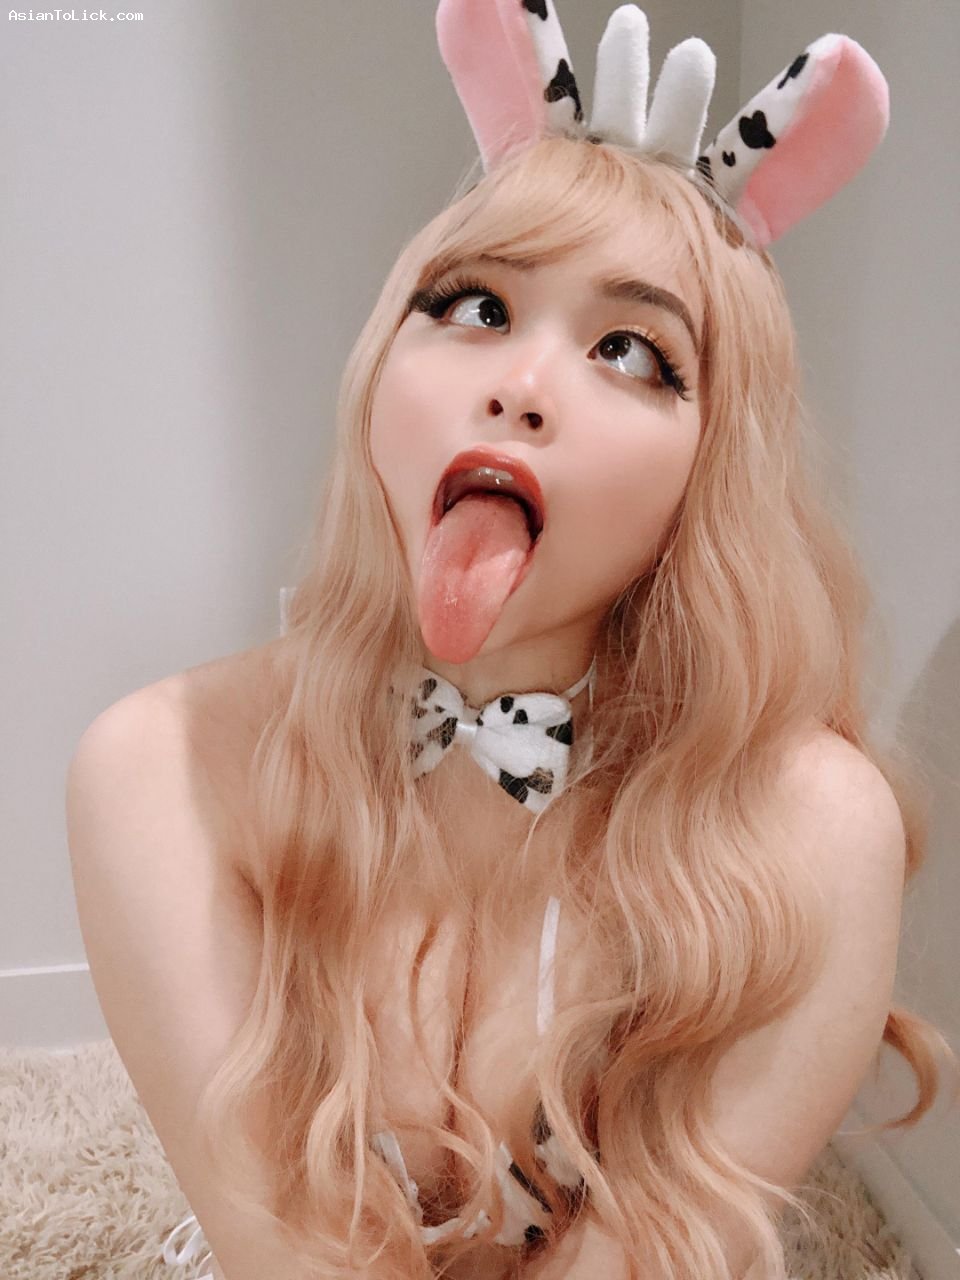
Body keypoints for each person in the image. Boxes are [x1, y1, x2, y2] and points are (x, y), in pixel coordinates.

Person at [66, 4, 958, 1279]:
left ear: (710, 468)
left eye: (631, 350)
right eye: (477, 303)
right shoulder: (159, 771)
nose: (522, 384)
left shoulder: (812, 838)